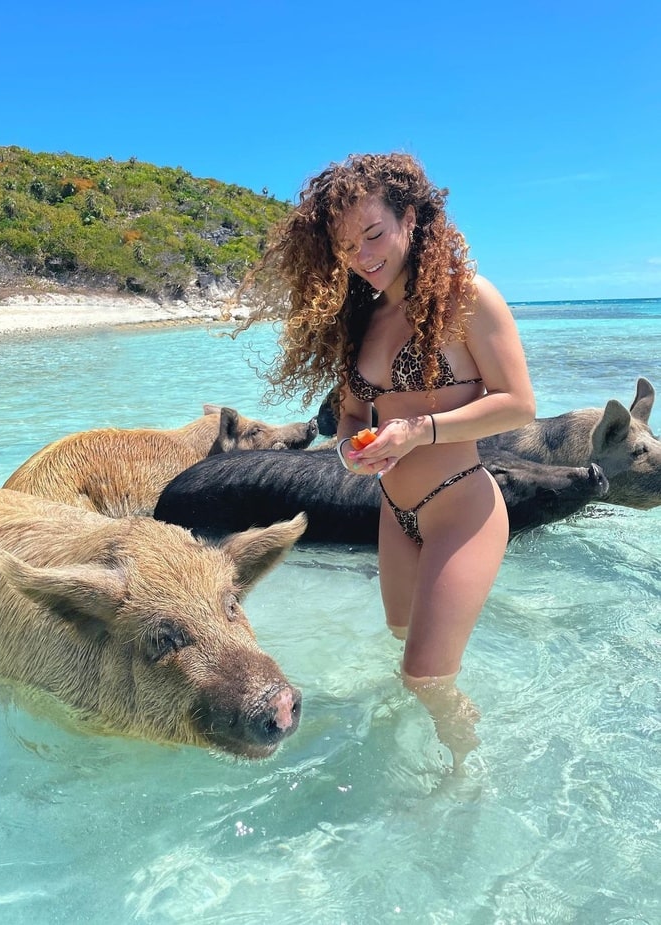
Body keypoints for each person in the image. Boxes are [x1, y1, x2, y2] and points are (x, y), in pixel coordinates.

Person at [231, 152, 535, 766]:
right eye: (346, 246)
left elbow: (518, 405)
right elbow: (349, 415)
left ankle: (465, 777)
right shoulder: (361, 318)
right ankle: (420, 752)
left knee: (424, 675)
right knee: (406, 648)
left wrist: (421, 431)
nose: (363, 255)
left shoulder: (467, 300)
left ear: (414, 219)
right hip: (396, 515)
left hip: (462, 511)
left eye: (374, 234)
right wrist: (349, 452)